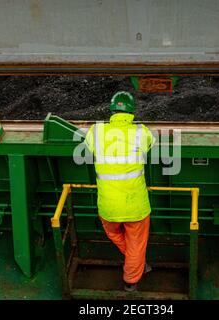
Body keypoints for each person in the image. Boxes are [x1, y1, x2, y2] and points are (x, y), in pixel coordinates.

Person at [84, 91, 155, 291]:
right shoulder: (142, 132)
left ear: (112, 110)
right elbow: (150, 145)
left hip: (107, 208)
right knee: (136, 244)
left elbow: (88, 145)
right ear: (132, 112)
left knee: (117, 235)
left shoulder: (95, 132)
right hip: (136, 207)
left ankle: (138, 263)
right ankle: (131, 281)